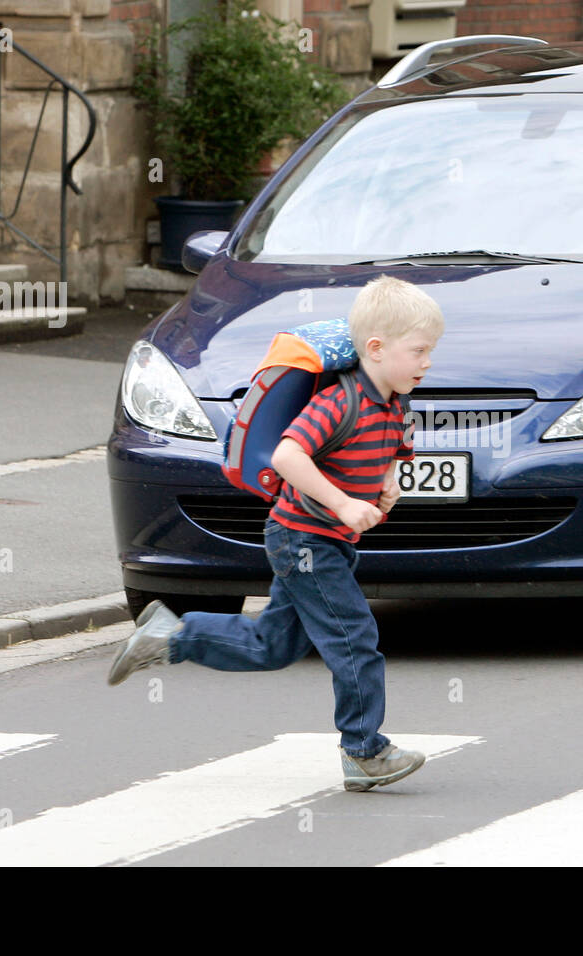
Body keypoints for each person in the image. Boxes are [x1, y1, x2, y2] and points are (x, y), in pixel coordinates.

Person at [107, 275, 444, 793]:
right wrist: (342, 503)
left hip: (324, 541)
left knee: (273, 646)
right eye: (419, 351)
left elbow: (391, 453)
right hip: (303, 539)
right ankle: (365, 751)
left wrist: (388, 486)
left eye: (430, 352)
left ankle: (171, 637)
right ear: (375, 349)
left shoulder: (394, 404)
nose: (427, 362)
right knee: (356, 638)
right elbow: (288, 456)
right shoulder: (339, 401)